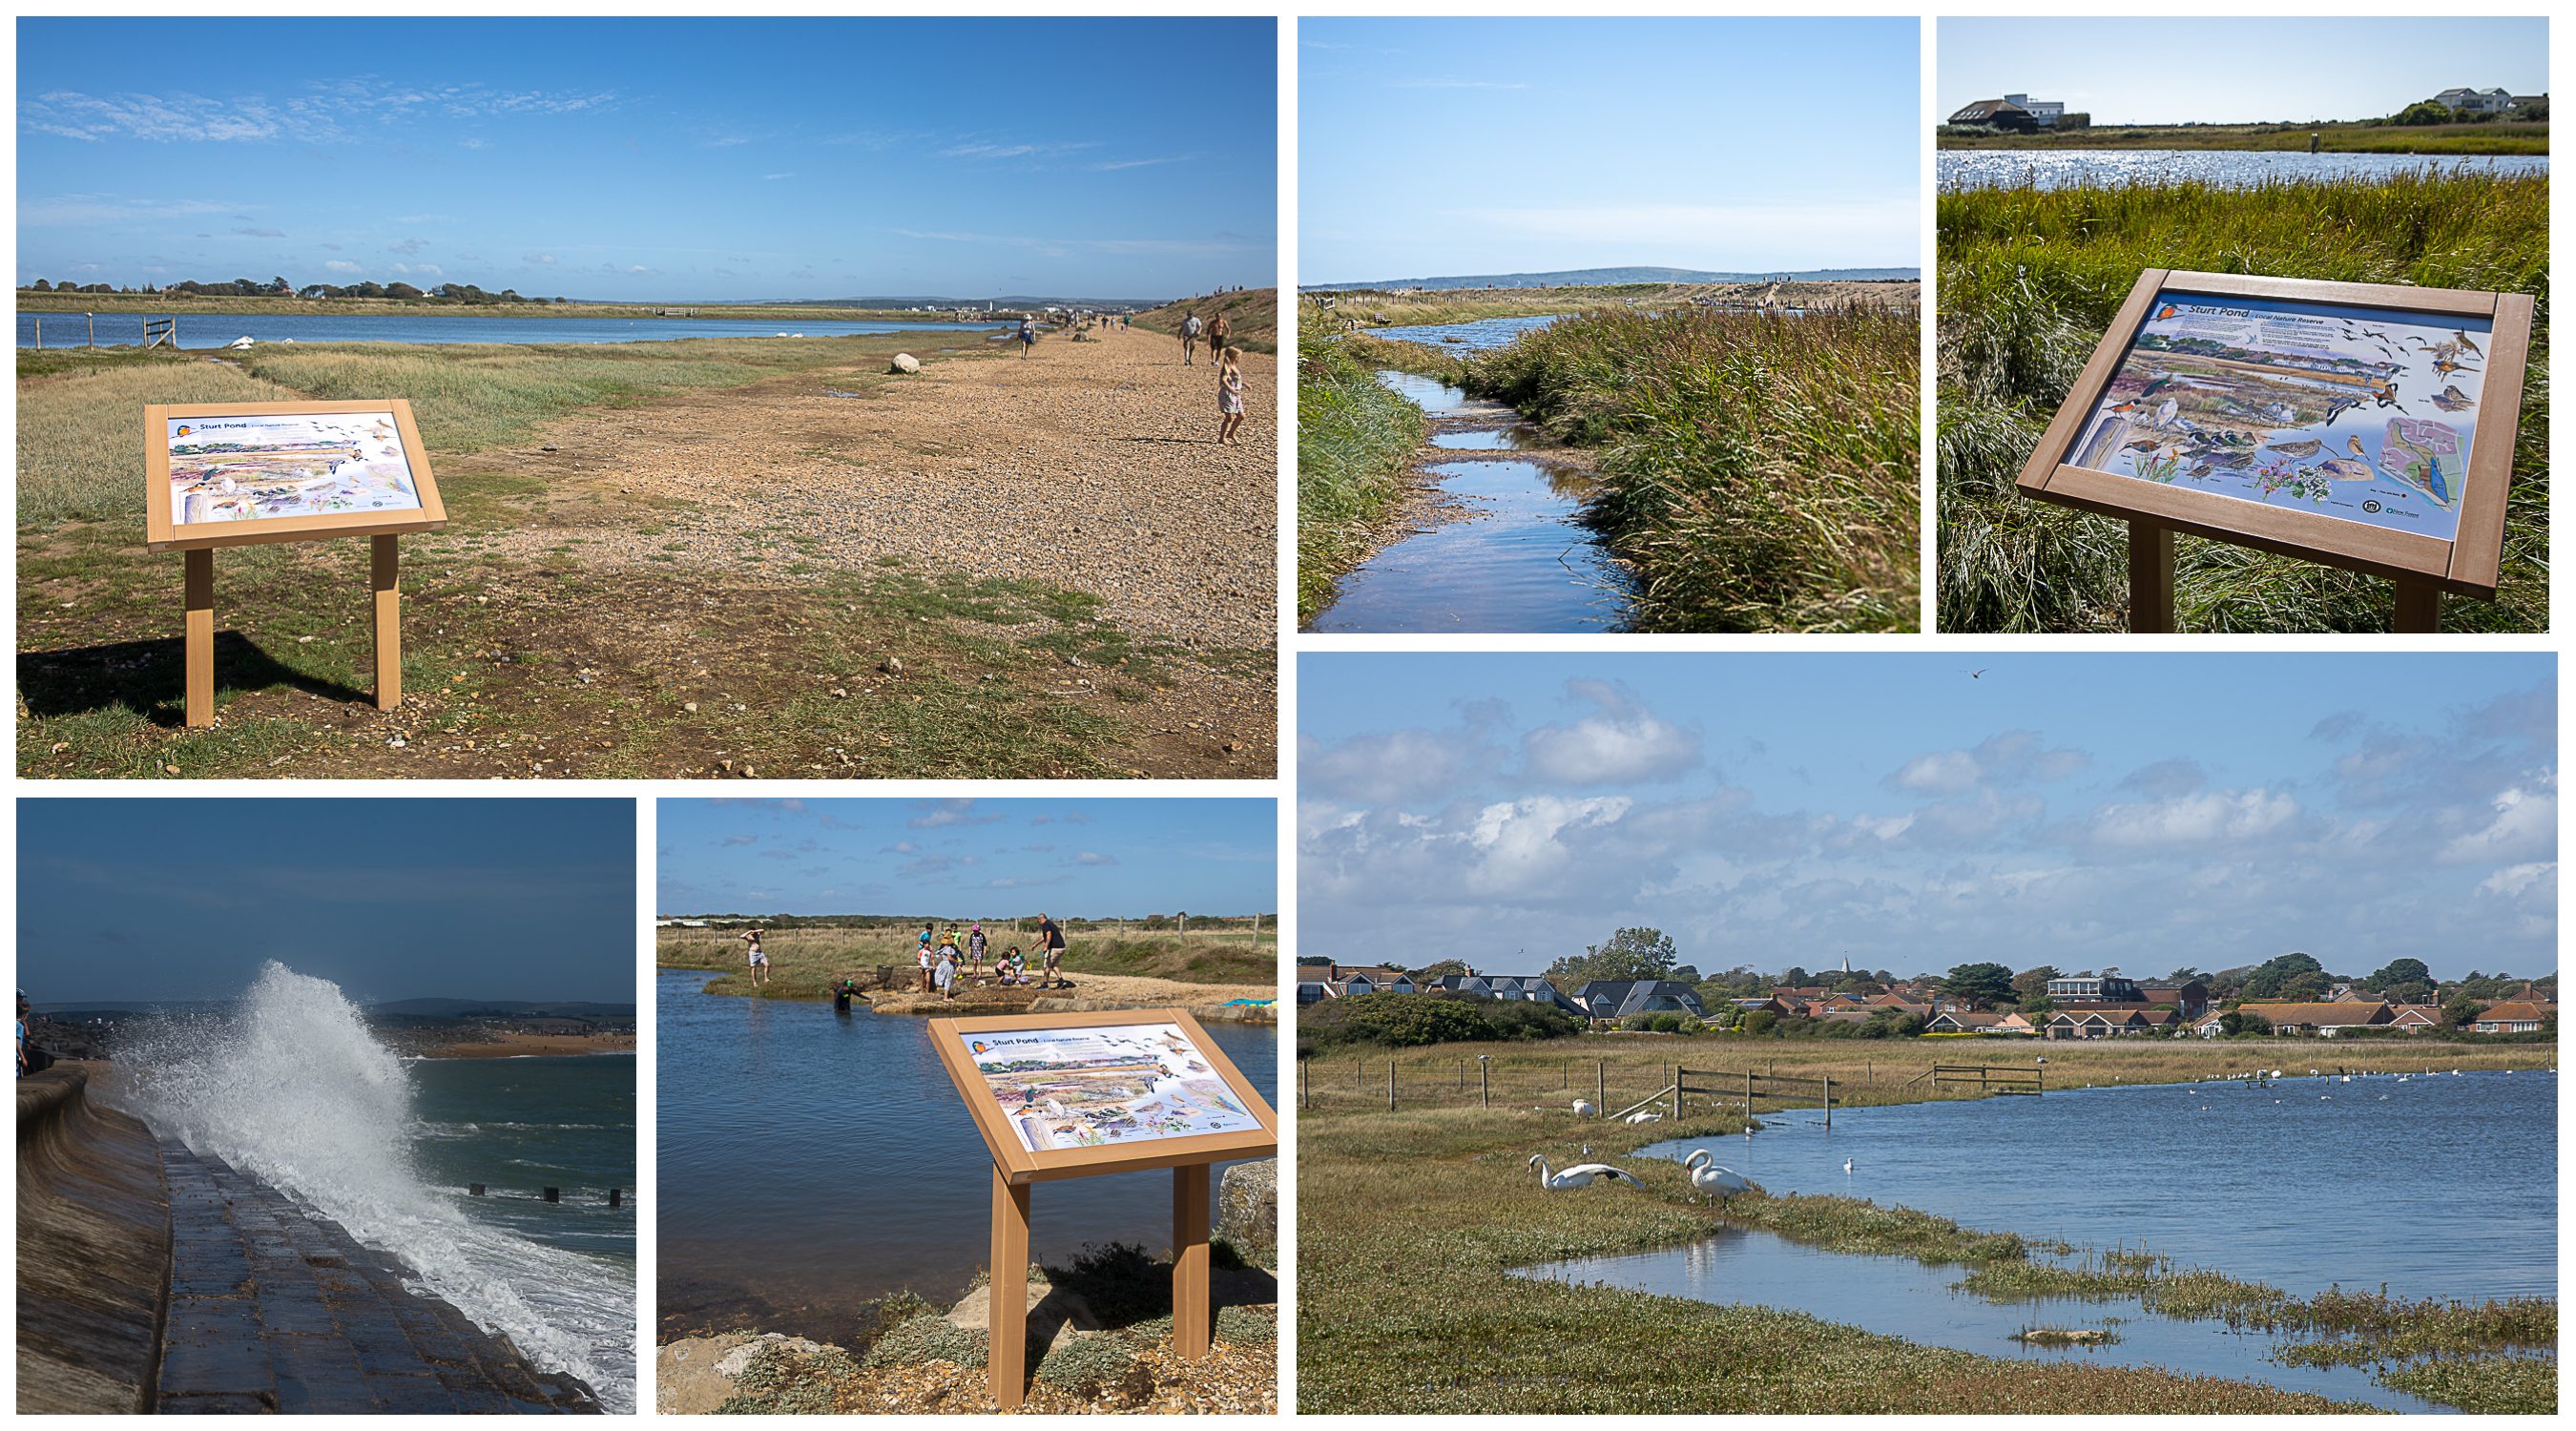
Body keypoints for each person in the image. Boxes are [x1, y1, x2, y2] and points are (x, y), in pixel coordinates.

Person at [1215, 347, 1247, 446]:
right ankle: (1222, 438)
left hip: (1235, 395)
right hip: (1228, 395)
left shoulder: (1233, 367)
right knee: (1229, 417)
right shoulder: (1227, 367)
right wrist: (1231, 389)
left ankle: (1231, 433)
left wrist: (1244, 384)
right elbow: (1224, 380)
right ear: (1235, 357)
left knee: (1241, 416)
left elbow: (1235, 380)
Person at [1037, 913, 1067, 986]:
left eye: (1038, 921)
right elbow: (1044, 937)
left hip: (1055, 948)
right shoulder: (1050, 924)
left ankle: (1045, 984)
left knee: (1047, 965)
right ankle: (1061, 981)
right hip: (1061, 948)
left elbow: (1049, 935)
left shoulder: (1045, 925)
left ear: (1040, 919)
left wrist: (1045, 946)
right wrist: (1035, 945)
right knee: (1054, 965)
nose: (1039, 923)